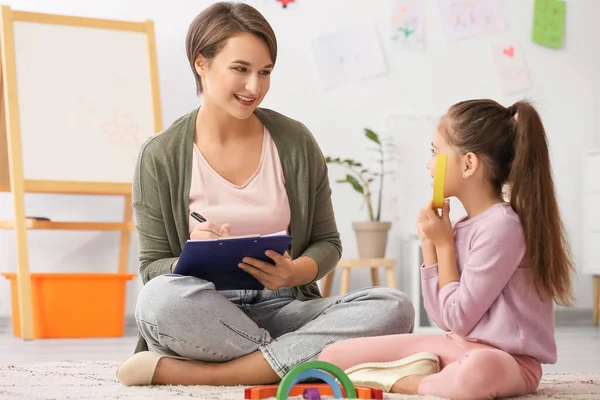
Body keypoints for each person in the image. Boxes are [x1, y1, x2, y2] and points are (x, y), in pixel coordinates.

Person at [115, 2, 415, 387]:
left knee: (393, 307)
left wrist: (295, 271)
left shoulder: (294, 142)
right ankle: (295, 358)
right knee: (157, 301)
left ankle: (226, 373)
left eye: (265, 72)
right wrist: (188, 260)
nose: (254, 87)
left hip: (284, 306)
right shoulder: (160, 155)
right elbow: (152, 267)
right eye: (240, 69)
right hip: (205, 314)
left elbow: (327, 243)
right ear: (201, 63)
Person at [318, 99, 575, 399]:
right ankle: (425, 374)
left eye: (435, 153)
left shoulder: (503, 227)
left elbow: (458, 318)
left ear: (468, 164)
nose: (429, 164)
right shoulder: (464, 225)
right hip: (458, 345)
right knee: (332, 357)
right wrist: (431, 246)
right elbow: (444, 320)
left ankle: (406, 383)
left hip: (509, 362)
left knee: (479, 368)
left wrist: (443, 245)